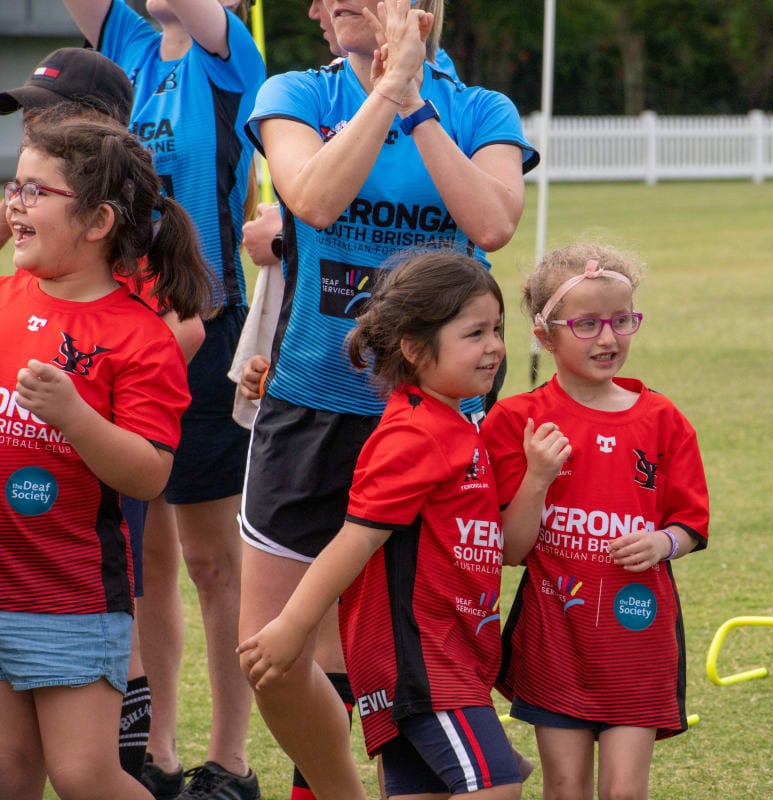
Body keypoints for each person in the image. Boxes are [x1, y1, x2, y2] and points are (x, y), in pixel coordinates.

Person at [236, 0, 536, 798]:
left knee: (397, 653)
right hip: (308, 405)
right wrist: (383, 88)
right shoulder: (297, 93)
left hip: (431, 420)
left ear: (425, 10)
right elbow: (314, 200)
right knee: (271, 655)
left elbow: (494, 221)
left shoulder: (480, 110)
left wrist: (416, 101)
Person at [59, 2, 266, 797]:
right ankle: (161, 750)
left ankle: (231, 760)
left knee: (215, 563)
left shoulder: (228, 51)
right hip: (119, 334)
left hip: (204, 333)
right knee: (146, 562)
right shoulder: (131, 45)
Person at [238, 251, 523, 800]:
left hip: (451, 656)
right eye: (475, 333)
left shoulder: (455, 422)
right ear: (415, 349)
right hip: (422, 666)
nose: (494, 347)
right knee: (495, 788)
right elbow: (355, 540)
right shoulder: (414, 435)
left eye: (497, 329)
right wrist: (292, 626)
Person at [0, 45, 209, 785]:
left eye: (35, 192)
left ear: (96, 223)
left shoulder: (138, 335)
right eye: (15, 187)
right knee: (8, 773)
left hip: (72, 595)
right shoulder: (7, 298)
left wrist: (74, 417)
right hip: (3, 574)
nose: (14, 203)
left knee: (85, 776)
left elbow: (150, 475)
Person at [480, 243, 710, 800]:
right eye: (586, 324)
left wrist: (663, 542)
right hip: (557, 637)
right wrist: (537, 477)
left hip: (637, 633)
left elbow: (692, 523)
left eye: (621, 320)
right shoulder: (516, 420)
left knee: (625, 793)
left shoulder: (663, 419)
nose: (608, 339)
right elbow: (510, 549)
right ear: (544, 333)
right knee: (565, 788)